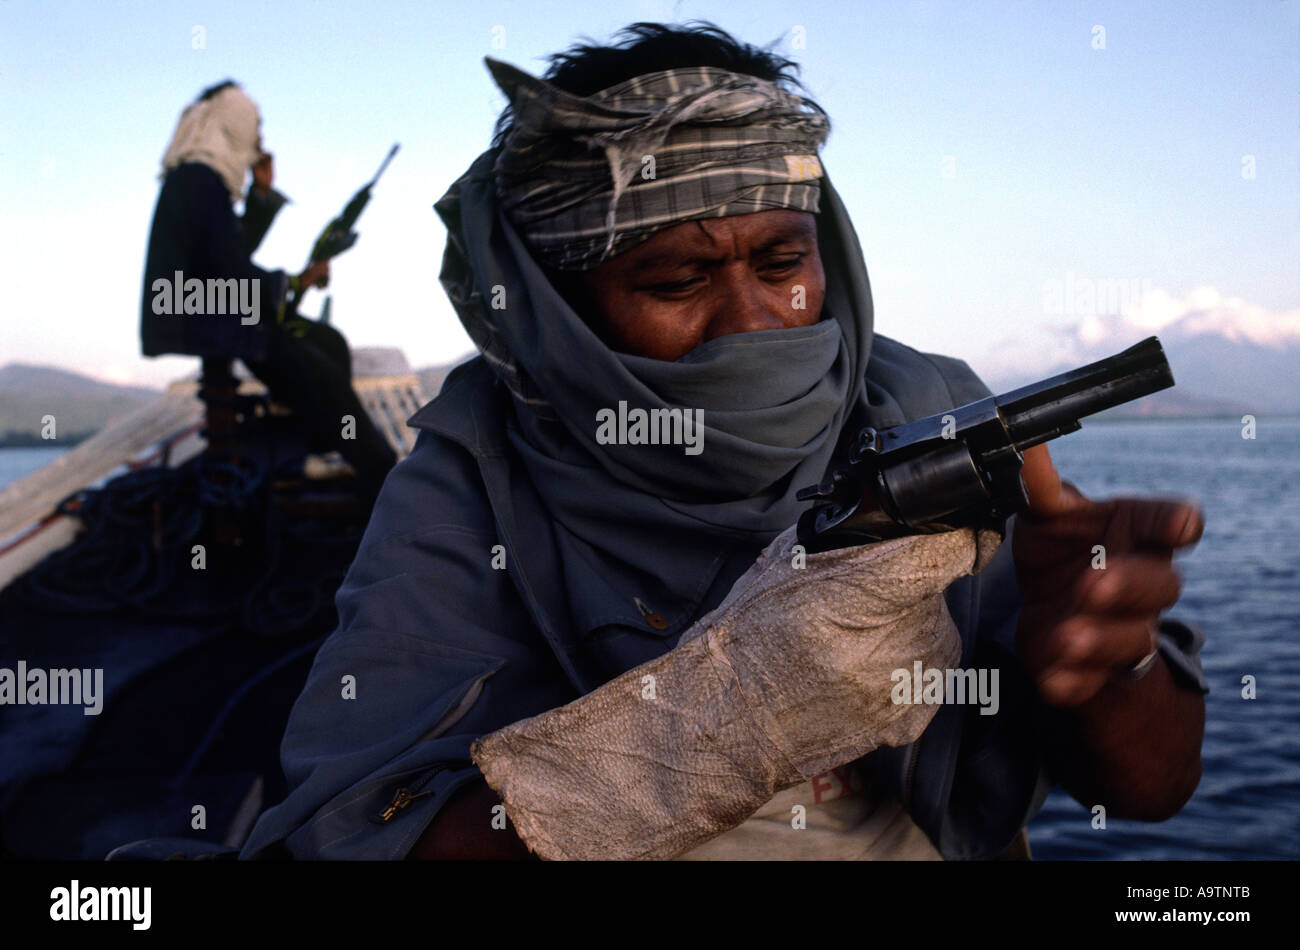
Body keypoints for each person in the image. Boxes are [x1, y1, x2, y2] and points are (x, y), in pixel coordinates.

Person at [240, 23, 1209, 861]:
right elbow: (351, 832)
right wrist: (715, 726)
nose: (753, 321)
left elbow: (1151, 784)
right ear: (559, 313)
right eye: (674, 282)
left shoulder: (927, 405)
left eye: (784, 262)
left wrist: (1099, 664)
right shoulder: (473, 471)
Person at [140, 79, 396, 490]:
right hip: (207, 314)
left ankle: (318, 443)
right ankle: (379, 477)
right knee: (327, 382)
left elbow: (228, 255)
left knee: (327, 343)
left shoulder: (199, 179)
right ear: (234, 123)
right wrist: (296, 281)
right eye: (256, 126)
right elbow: (227, 272)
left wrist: (259, 193)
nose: (260, 137)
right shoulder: (201, 181)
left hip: (210, 309)